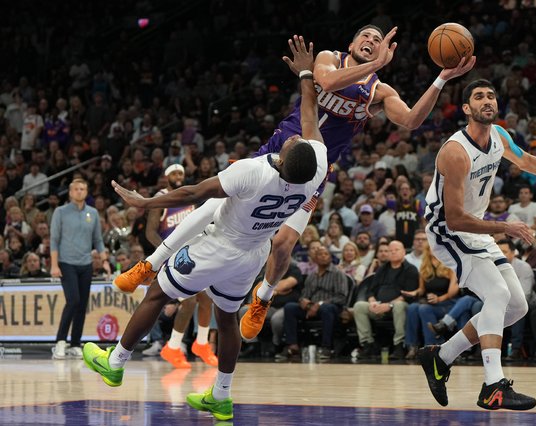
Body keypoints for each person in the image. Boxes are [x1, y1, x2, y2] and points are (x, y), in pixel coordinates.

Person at [113, 24, 475, 344]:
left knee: (284, 243)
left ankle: (263, 297)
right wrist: (375, 64)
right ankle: (151, 263)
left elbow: (411, 120)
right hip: (280, 150)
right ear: (351, 44)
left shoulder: (378, 91)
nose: (371, 39)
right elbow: (328, 82)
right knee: (214, 203)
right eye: (365, 35)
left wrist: (441, 79)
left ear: (384, 49)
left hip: (314, 169)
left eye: (377, 39)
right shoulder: (330, 59)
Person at [82, 35, 327, 421]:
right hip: (253, 254)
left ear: (283, 158)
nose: (294, 134)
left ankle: (115, 361)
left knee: (157, 295)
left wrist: (146, 202)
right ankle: (222, 396)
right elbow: (311, 117)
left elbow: (195, 191)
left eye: (292, 139)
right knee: (226, 318)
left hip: (220, 245)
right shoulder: (316, 169)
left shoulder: (254, 170)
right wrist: (307, 75)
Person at [419, 79, 536, 411]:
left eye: (491, 95)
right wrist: (505, 225)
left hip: (475, 228)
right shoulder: (455, 152)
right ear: (466, 109)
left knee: (516, 306)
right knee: (497, 294)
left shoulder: (500, 136)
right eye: (478, 96)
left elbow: (528, 162)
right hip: (447, 230)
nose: (487, 100)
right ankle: (493, 386)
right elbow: (455, 219)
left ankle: (441, 356)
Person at [145, 164, 217, 367]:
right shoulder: (161, 198)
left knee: (206, 299)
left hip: (193, 252)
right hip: (172, 256)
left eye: (181, 174)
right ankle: (173, 346)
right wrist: (166, 251)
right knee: (190, 301)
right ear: (166, 177)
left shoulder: (190, 196)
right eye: (174, 173)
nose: (178, 176)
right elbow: (150, 232)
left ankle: (201, 344)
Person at [51, 178, 110, 359]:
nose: (79, 191)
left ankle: (75, 343)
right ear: (70, 192)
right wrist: (54, 265)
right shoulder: (60, 212)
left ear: (86, 191)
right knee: (73, 300)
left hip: (86, 264)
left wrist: (104, 260)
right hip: (66, 263)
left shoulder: (92, 213)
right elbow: (54, 240)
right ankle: (60, 342)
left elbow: (98, 240)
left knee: (82, 305)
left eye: (82, 189)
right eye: (76, 189)